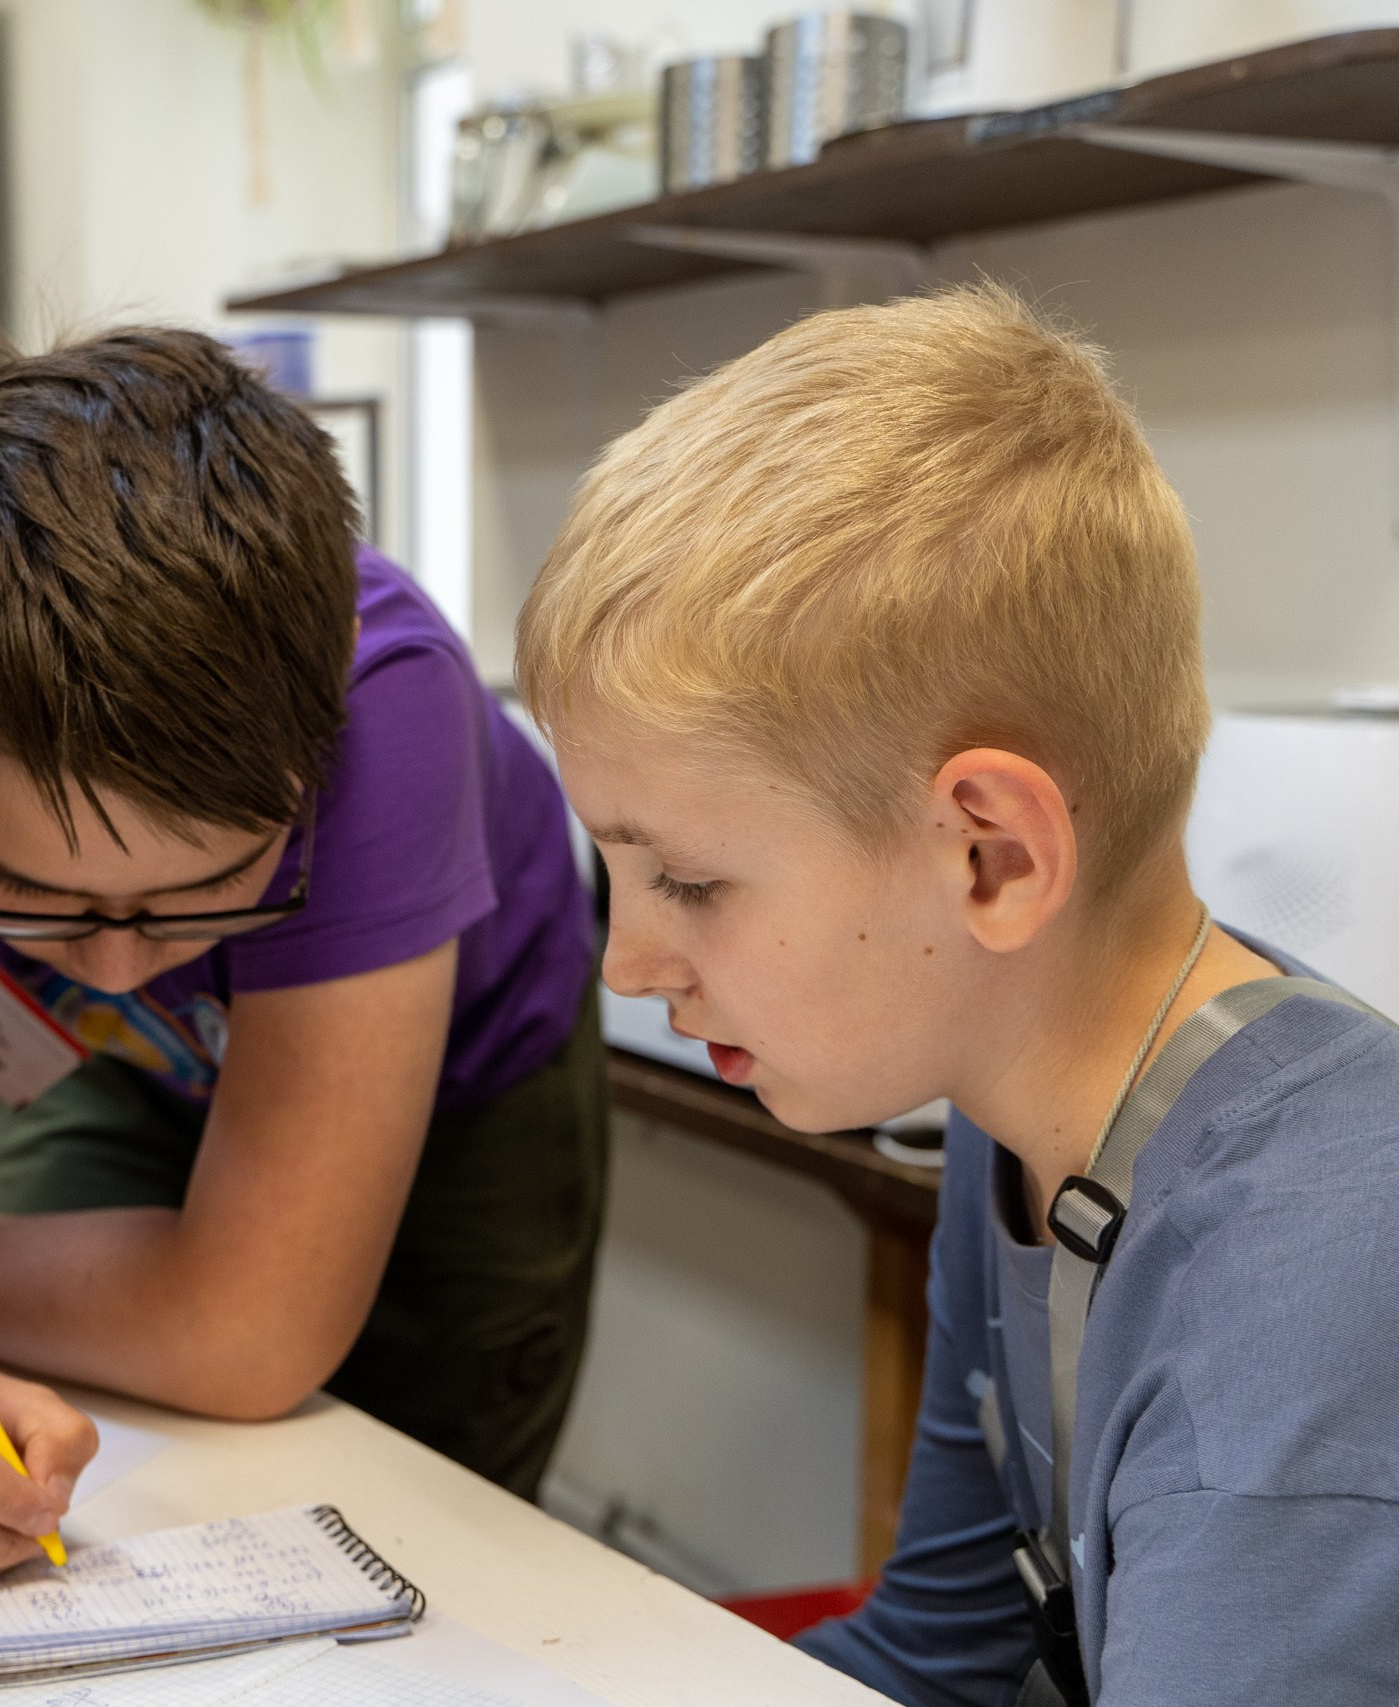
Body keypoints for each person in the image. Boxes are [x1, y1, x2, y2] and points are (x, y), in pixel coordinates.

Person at [518, 284, 1399, 1705]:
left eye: (687, 879)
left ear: (992, 857)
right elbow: (942, 1657)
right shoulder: (1022, 1102)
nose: (625, 962)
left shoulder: (1297, 1316)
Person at [0, 327, 607, 1585]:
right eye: (31, 895)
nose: (119, 968)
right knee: (29, 1447)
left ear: (321, 722)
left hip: (461, 1083)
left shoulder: (386, 695)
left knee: (424, 1550)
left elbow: (247, 1338)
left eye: (204, 889)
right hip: (108, 1070)